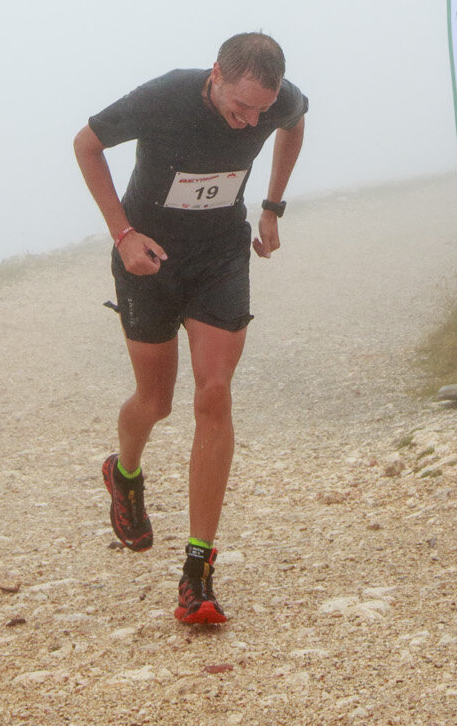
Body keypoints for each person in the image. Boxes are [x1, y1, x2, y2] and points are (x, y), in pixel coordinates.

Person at [73, 33, 307, 627]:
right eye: (241, 107)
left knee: (215, 392)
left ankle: (197, 572)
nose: (250, 120)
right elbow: (86, 143)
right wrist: (122, 236)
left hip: (221, 257)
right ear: (215, 76)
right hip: (148, 257)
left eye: (261, 109)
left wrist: (273, 206)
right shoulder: (164, 97)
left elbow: (295, 121)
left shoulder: (276, 102)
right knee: (155, 401)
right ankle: (123, 472)